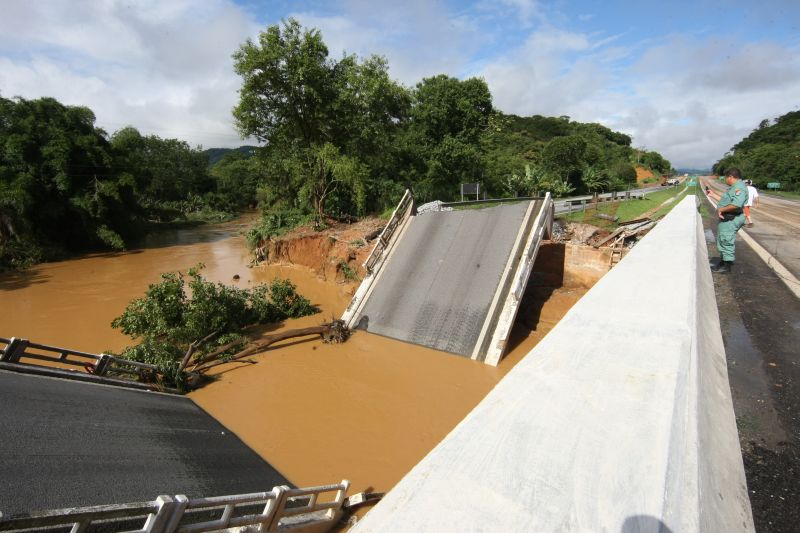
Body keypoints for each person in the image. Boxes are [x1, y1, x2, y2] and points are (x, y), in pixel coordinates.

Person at [711, 168, 748, 273]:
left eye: (726, 177)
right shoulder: (734, 187)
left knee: (726, 240)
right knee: (722, 239)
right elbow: (727, 201)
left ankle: (727, 266)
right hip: (728, 217)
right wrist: (713, 195)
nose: (725, 180)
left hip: (732, 217)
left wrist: (721, 209)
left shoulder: (739, 188)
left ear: (731, 177)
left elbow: (736, 204)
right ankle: (723, 261)